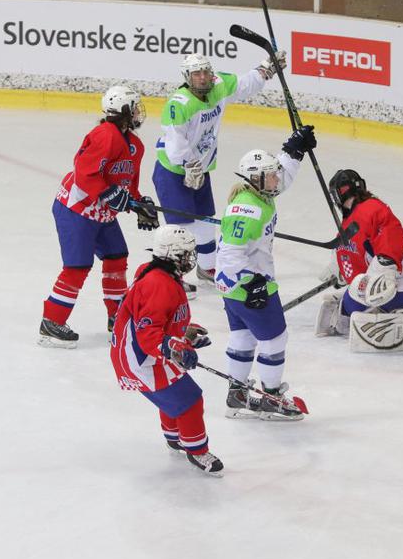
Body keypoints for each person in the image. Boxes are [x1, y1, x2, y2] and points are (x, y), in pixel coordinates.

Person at [153, 50, 287, 299]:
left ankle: (206, 268)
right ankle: (172, 278)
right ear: (187, 76)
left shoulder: (218, 85)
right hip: (173, 172)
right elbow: (175, 143)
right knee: (179, 229)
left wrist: (266, 69)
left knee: (205, 221)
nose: (203, 77)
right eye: (197, 74)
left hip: (200, 169)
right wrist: (189, 165)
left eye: (206, 72)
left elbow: (245, 85)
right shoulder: (178, 104)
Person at [39, 85, 159, 348]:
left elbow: (126, 184)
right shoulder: (105, 135)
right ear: (124, 110)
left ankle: (117, 316)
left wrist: (139, 204)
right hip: (77, 209)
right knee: (77, 266)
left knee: (117, 256)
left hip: (101, 212)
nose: (139, 113)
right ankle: (51, 322)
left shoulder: (135, 145)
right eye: (135, 107)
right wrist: (111, 195)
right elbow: (85, 174)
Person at [215, 125, 316, 420]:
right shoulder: (248, 209)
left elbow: (281, 178)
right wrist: (252, 283)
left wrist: (293, 151)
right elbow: (230, 253)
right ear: (257, 178)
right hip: (248, 284)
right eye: (271, 175)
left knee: (243, 336)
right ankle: (271, 396)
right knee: (275, 338)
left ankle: (236, 393)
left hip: (232, 288)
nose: (276, 179)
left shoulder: (258, 193)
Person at [110, 224, 222, 476]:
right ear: (173, 254)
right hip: (140, 358)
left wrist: (184, 334)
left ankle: (175, 437)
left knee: (175, 395)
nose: (191, 258)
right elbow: (148, 333)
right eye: (186, 253)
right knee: (190, 400)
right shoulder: (158, 285)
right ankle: (197, 450)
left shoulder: (160, 273)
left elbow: (158, 319)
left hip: (145, 352)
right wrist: (174, 347)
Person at [316, 169, 403, 336]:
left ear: (339, 194)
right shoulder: (349, 221)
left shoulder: (372, 209)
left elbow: (391, 241)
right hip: (383, 288)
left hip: (400, 287)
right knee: (347, 307)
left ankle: (382, 315)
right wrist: (340, 270)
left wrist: (383, 269)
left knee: (348, 311)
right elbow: (352, 254)